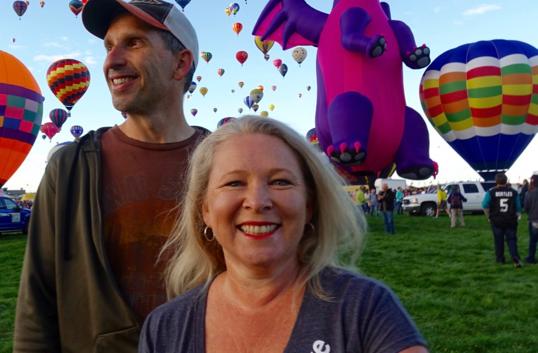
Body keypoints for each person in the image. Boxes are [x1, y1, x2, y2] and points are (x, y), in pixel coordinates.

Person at [14, 0, 207, 352]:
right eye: (108, 47)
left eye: (133, 43)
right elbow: (36, 303)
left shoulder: (224, 163)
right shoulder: (70, 168)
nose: (112, 61)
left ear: (181, 64)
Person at [140, 116, 428, 353]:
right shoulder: (165, 328)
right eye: (234, 183)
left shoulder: (364, 310)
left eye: (280, 181)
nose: (257, 201)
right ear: (205, 210)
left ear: (309, 205)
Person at [482, 173, 523, 267]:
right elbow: (518, 207)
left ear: (496, 181)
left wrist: (489, 216)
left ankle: (500, 259)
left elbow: (484, 205)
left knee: (498, 240)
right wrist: (516, 216)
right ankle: (515, 256)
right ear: (506, 180)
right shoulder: (514, 192)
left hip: (497, 220)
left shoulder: (491, 192)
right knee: (512, 240)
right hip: (510, 220)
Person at [523, 174, 538, 264]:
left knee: (533, 240)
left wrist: (531, 214)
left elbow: (526, 207)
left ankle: (531, 258)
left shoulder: (528, 194)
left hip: (534, 220)